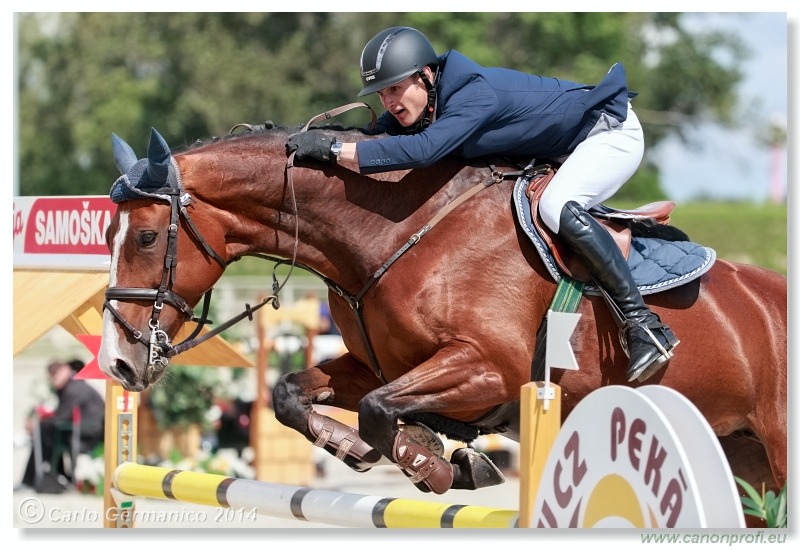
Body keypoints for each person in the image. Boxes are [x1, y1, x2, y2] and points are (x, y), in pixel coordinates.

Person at [286, 26, 678, 384]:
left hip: (610, 133)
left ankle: (643, 324)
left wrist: (335, 151)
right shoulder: (429, 102)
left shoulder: (474, 95)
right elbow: (372, 138)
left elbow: (422, 152)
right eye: (381, 94)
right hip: (565, 148)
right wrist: (301, 140)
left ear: (425, 75)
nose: (388, 102)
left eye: (394, 88)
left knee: (555, 207)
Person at [18, 360, 105, 491]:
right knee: (46, 433)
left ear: (66, 370)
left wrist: (38, 423)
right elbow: (62, 415)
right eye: (52, 374)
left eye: (57, 373)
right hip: (81, 431)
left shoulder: (74, 388)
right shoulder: (73, 386)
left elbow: (61, 417)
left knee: (45, 433)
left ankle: (34, 480)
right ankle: (59, 477)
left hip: (87, 435)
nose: (54, 377)